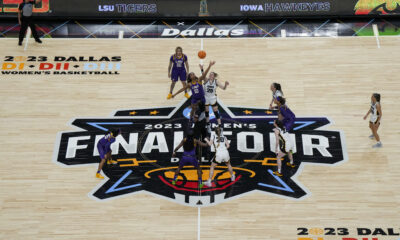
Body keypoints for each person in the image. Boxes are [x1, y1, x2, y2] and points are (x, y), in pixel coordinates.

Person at [201, 64, 229, 132]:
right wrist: (202, 69)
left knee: (215, 112)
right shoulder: (206, 80)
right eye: (210, 74)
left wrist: (225, 85)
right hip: (206, 98)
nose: (210, 75)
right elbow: (203, 75)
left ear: (214, 76)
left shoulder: (216, 81)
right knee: (207, 112)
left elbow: (224, 88)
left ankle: (220, 126)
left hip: (212, 98)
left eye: (212, 74)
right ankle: (208, 125)